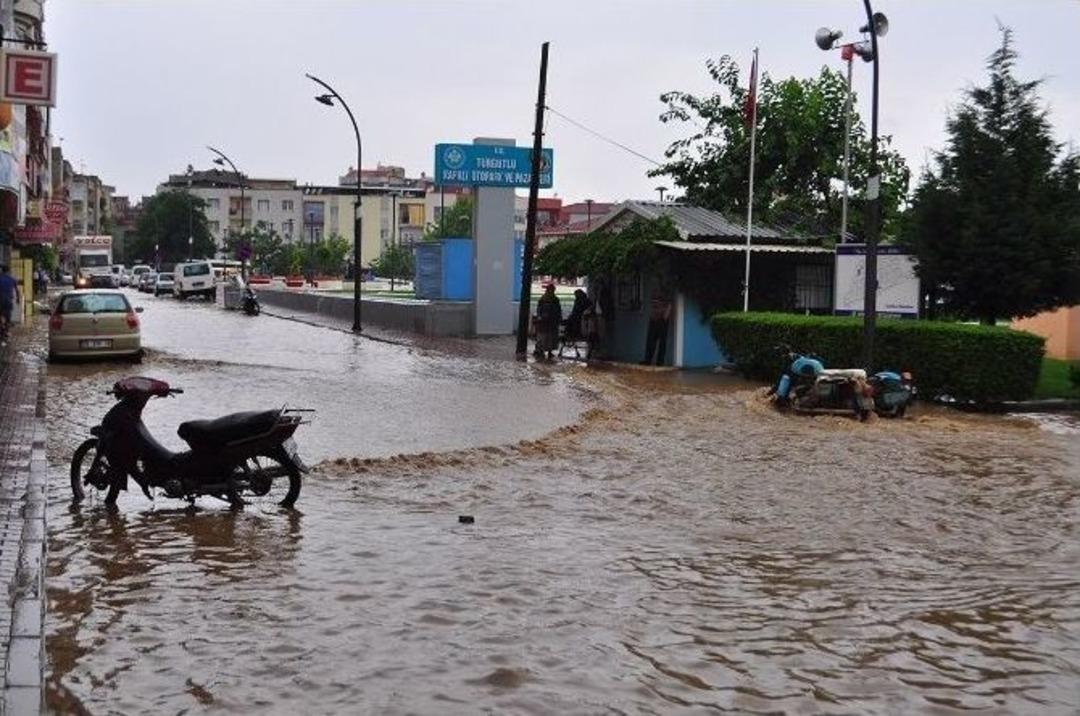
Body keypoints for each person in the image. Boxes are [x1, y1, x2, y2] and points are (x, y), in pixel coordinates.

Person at [642, 285, 673, 366]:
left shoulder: (667, 293)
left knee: (662, 343)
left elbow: (669, 305)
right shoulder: (655, 291)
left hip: (662, 319)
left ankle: (660, 362)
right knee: (650, 341)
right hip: (654, 319)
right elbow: (653, 304)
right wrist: (653, 315)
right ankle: (648, 360)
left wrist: (665, 316)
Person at [533, 283, 562, 361]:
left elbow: (558, 310)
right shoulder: (544, 299)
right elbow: (539, 310)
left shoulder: (554, 299)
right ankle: (542, 350)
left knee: (549, 337)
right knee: (544, 336)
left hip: (550, 322)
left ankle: (547, 351)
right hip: (545, 322)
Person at [0, 264, 21, 341]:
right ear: (8, 271)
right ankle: (6, 331)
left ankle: (2, 330)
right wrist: (18, 299)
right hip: (8, 301)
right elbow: (17, 290)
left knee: (1, 315)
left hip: (0, 300)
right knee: (8, 317)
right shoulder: (12, 279)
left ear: (2, 271)